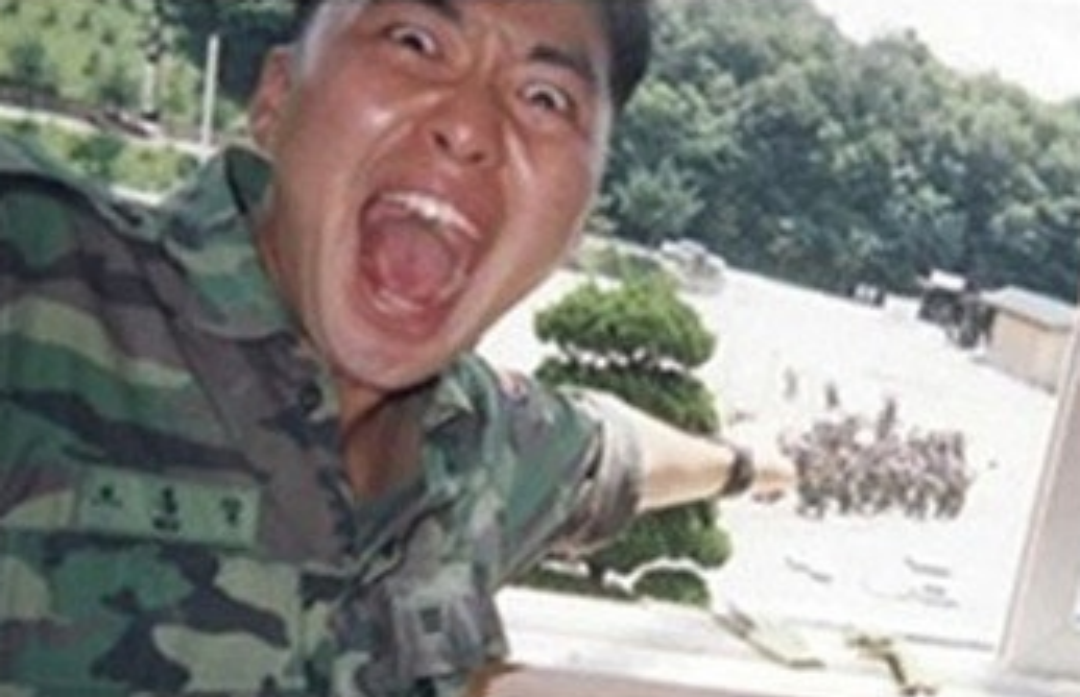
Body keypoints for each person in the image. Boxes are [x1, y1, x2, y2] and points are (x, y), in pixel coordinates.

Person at [0, 1, 787, 695]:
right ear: (276, 96)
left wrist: (747, 466)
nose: (469, 127)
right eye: (414, 41)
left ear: (582, 212)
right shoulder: (41, 275)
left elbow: (608, 455)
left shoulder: (485, 447)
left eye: (545, 97)